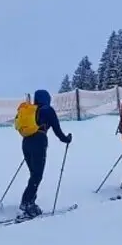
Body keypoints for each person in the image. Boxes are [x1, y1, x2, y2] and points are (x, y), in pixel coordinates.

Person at [14, 89, 72, 219]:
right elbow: (57, 130)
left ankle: (30, 201)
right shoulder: (48, 110)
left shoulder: (30, 110)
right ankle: (26, 203)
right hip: (39, 142)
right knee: (37, 175)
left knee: (34, 174)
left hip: (26, 143)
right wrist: (66, 139)